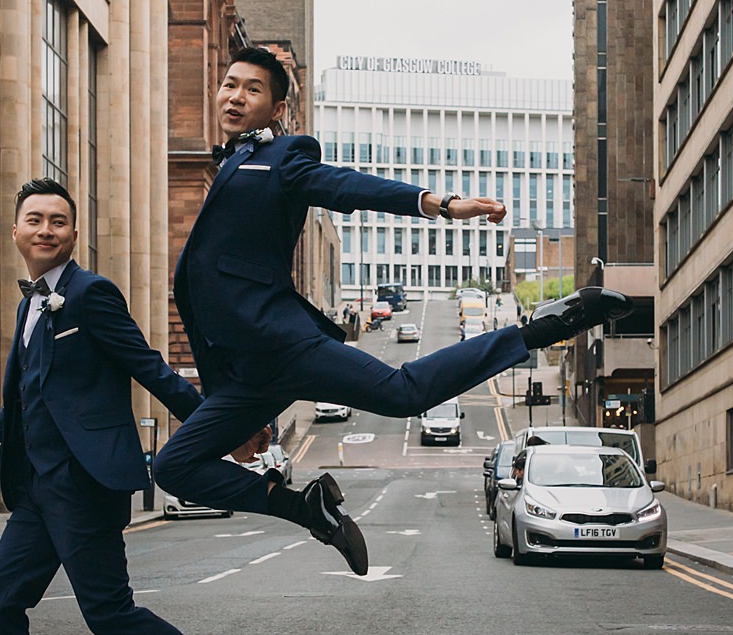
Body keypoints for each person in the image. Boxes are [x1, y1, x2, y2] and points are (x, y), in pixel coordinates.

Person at [152, 44, 627, 574]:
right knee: (173, 465)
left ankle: (535, 331)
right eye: (229, 84)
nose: (235, 96)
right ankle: (303, 507)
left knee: (403, 394)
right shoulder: (232, 163)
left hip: (282, 345)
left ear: (276, 108)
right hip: (239, 375)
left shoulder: (284, 159)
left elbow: (347, 187)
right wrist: (247, 418)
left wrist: (440, 205)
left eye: (253, 89)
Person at [0, 179, 274, 635]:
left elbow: (148, 366)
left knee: (109, 613)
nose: (47, 230)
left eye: (59, 222)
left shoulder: (91, 295)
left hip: (84, 483)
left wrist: (221, 429)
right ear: (15, 231)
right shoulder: (29, 305)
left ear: (74, 235)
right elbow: (23, 400)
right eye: (35, 220)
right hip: (38, 489)